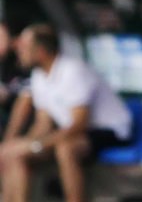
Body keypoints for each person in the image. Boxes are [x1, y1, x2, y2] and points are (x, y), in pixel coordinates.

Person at [0, 24, 133, 202]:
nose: (19, 51)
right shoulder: (39, 76)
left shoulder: (73, 71)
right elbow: (43, 124)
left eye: (24, 47)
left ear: (41, 51)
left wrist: (37, 146)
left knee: (66, 148)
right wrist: (24, 146)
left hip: (111, 131)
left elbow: (79, 124)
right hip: (76, 132)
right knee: (14, 154)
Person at [0, 23, 28, 133]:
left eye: (1, 37)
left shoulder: (23, 60)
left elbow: (25, 94)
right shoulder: (4, 62)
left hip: (20, 118)